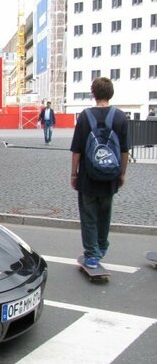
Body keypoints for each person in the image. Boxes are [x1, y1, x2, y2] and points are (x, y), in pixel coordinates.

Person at [70, 77, 129, 269]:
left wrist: (74, 174)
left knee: (88, 216)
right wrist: (122, 174)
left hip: (88, 176)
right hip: (110, 175)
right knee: (105, 213)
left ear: (93, 93)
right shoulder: (120, 117)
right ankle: (102, 247)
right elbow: (125, 151)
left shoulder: (85, 117)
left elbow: (77, 149)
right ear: (110, 93)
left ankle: (92, 255)